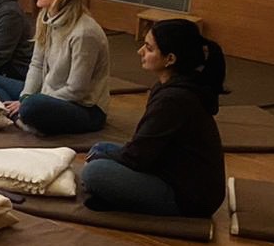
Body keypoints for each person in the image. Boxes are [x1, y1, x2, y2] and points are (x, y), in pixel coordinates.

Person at [80, 19, 227, 217]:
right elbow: (145, 147)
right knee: (100, 149)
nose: (140, 51)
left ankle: (119, 196)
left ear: (170, 59)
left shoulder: (175, 98)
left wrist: (104, 161)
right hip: (168, 169)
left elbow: (137, 157)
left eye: (149, 48)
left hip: (188, 198)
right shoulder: (172, 87)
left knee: (94, 172)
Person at [0, 0, 110, 135]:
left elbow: (77, 90)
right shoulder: (46, 17)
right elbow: (36, 64)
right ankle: (18, 115)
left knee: (32, 107)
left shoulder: (84, 33)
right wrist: (25, 96)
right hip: (46, 92)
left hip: (83, 108)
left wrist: (29, 101)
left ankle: (20, 115)